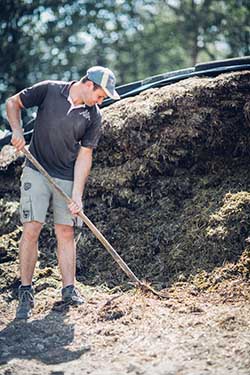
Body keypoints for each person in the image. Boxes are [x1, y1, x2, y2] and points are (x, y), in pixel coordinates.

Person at [6, 66, 120, 319]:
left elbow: (85, 156)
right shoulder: (49, 90)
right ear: (89, 85)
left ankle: (69, 288)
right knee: (32, 227)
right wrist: (16, 130)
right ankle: (25, 289)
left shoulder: (93, 116)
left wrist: (77, 195)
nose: (101, 102)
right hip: (36, 169)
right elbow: (13, 103)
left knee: (66, 230)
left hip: (67, 176)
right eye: (101, 96)